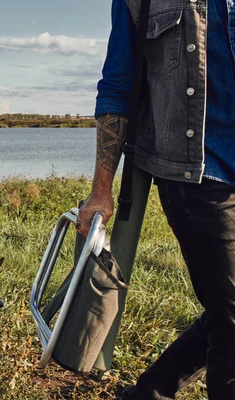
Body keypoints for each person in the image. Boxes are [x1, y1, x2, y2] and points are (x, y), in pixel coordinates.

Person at [76, 0, 235, 398]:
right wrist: (101, 189)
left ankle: (147, 393)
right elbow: (117, 84)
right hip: (198, 174)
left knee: (227, 310)